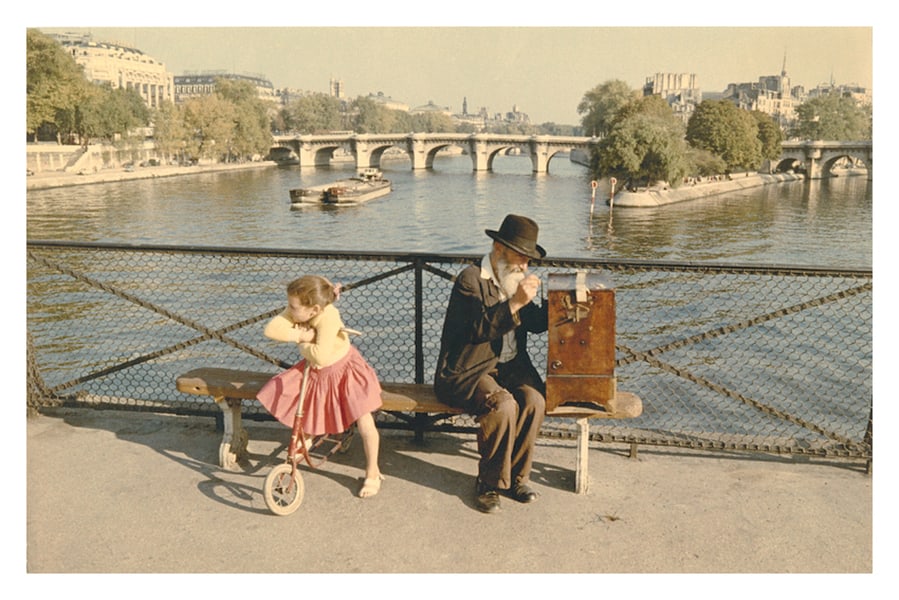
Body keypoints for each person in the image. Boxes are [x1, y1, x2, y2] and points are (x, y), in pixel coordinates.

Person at [434, 214, 548, 513]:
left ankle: (517, 479)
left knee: (535, 401)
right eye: (520, 257)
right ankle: (489, 483)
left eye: (528, 260)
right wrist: (515, 303)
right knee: (503, 405)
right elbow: (477, 329)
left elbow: (536, 323)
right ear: (499, 249)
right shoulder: (470, 280)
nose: (524, 266)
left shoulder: (514, 280)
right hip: (469, 370)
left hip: (509, 368)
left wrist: (563, 302)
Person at [256, 275, 385, 498]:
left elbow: (321, 355)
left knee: (364, 419)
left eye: (292, 307)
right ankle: (308, 438)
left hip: (344, 370)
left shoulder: (328, 318)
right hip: (318, 371)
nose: (289, 310)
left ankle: (373, 471)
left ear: (314, 310)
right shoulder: (301, 309)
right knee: (297, 401)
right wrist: (300, 334)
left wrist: (303, 342)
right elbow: (271, 329)